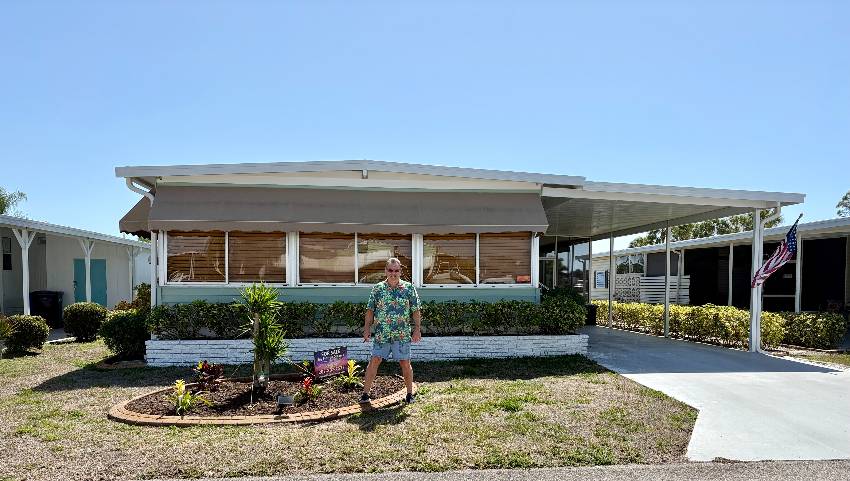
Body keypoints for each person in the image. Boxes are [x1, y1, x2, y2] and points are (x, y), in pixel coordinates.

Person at [360, 257, 422, 404]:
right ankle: (365, 394)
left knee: (405, 362)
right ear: (385, 271)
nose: (393, 273)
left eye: (396, 270)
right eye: (390, 270)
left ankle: (409, 394)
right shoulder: (378, 288)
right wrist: (367, 328)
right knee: (374, 360)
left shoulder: (408, 288)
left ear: (400, 271)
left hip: (401, 334)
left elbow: (416, 310)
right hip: (382, 334)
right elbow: (370, 310)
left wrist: (417, 329)